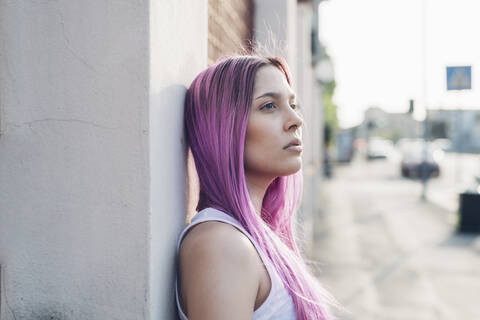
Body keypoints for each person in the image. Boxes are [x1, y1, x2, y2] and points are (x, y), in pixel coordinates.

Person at [175, 55, 337, 320]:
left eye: (292, 104)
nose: (296, 120)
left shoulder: (251, 238)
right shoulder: (222, 245)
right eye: (269, 106)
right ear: (224, 126)